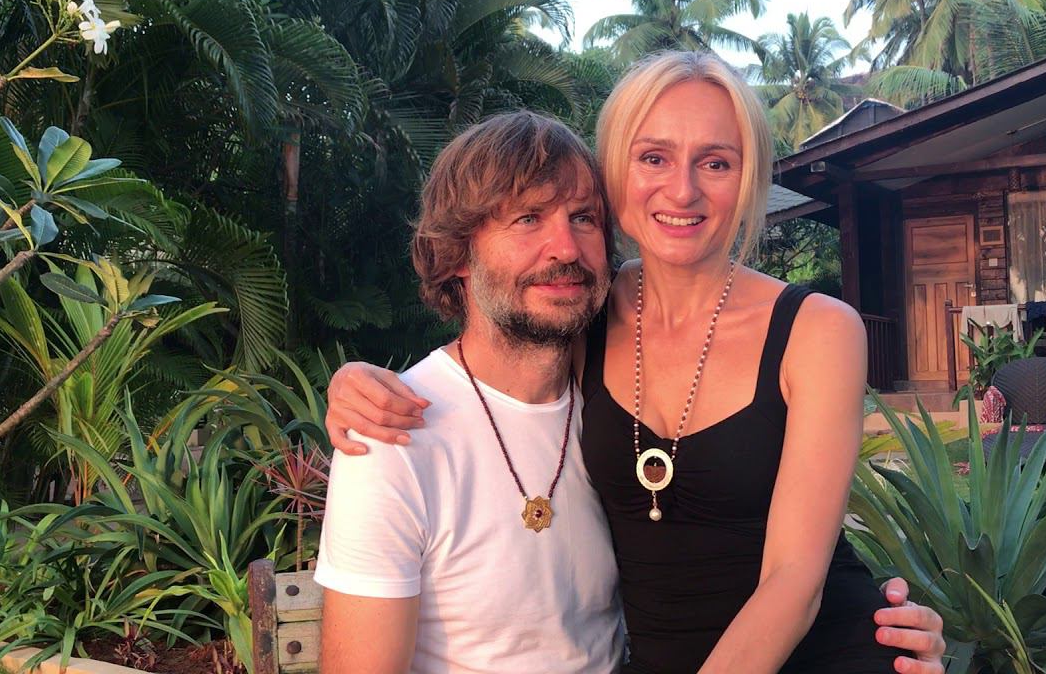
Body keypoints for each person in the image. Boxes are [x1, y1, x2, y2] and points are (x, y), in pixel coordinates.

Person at [327, 51, 948, 674]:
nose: (683, 189)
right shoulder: (585, 317)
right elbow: (495, 340)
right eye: (654, 157)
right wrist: (352, 382)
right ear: (617, 175)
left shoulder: (816, 330)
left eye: (716, 162)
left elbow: (795, 581)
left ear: (748, 180)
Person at [316, 111, 624, 673]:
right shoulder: (393, 436)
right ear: (457, 253)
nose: (566, 248)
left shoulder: (622, 403)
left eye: (584, 218)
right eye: (528, 218)